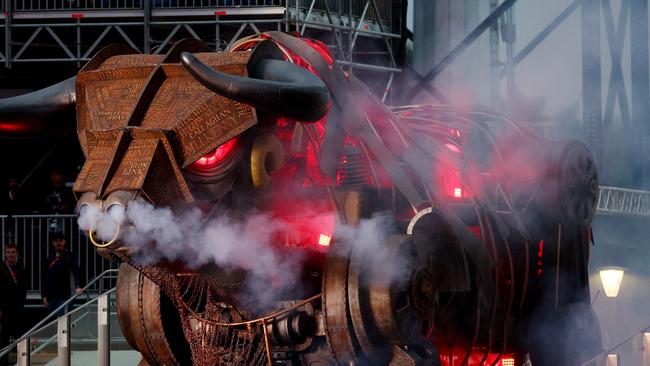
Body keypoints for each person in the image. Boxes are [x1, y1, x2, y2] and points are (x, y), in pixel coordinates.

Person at [41, 232, 83, 317]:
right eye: (56, 241)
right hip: (51, 298)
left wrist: (78, 286)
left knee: (62, 322)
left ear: (65, 242)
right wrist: (44, 295)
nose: (58, 243)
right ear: (52, 243)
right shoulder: (50, 258)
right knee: (54, 324)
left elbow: (76, 272)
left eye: (61, 241)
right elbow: (45, 278)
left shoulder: (70, 256)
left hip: (65, 297)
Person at [0, 243, 27, 365]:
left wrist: (21, 304)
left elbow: (23, 288)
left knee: (19, 336)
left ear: (17, 254)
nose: (11, 254)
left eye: (13, 252)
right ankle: (3, 361)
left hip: (17, 308)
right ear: (5, 254)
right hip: (3, 307)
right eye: (8, 252)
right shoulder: (1, 267)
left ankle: (20, 361)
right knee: (3, 337)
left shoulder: (21, 269)